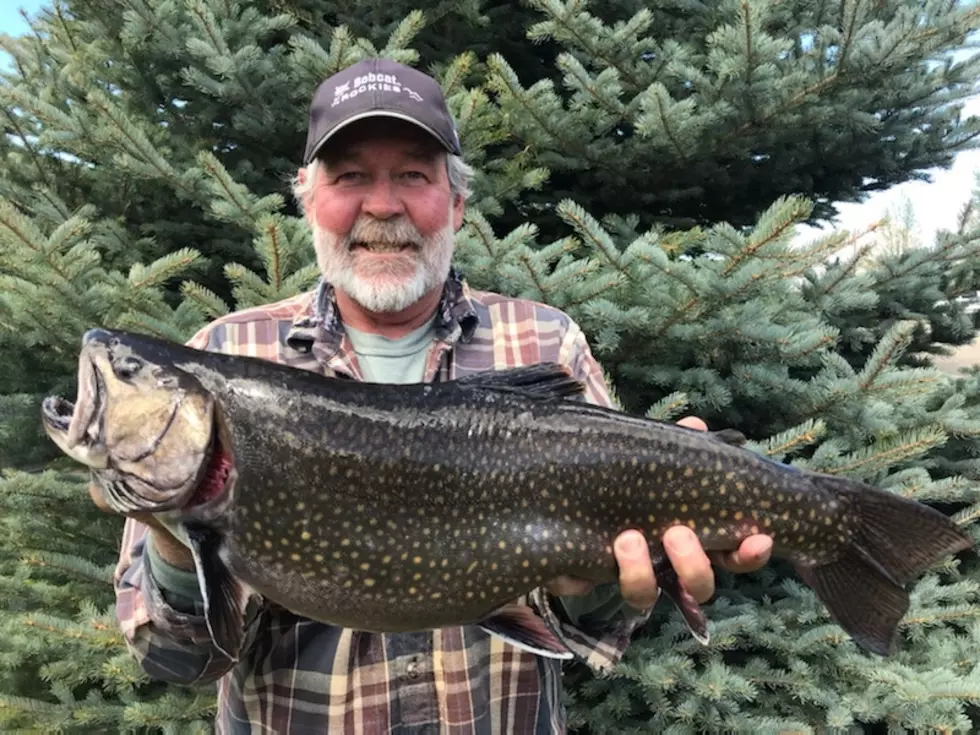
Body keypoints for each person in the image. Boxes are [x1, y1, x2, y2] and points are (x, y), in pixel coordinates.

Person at [96, 58, 773, 734]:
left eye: (413, 175)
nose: (382, 205)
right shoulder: (221, 362)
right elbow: (172, 659)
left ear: (455, 201)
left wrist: (600, 581)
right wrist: (180, 543)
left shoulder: (544, 341)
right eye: (351, 175)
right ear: (308, 197)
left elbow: (595, 624)